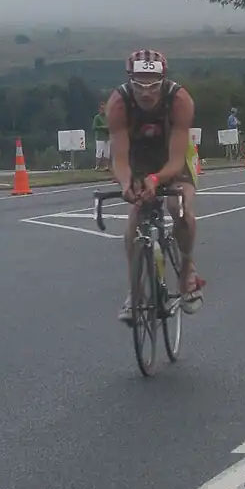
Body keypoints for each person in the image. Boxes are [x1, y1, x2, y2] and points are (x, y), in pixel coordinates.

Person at [106, 48, 204, 324]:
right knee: (135, 217)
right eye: (139, 85)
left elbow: (175, 160)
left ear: (164, 80)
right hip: (140, 157)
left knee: (179, 206)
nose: (146, 93)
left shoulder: (180, 100)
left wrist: (157, 179)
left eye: (153, 85)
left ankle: (187, 269)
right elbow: (120, 159)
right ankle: (135, 293)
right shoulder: (118, 103)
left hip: (174, 156)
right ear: (129, 80)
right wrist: (126, 183)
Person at [93, 100, 110, 170]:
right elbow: (94, 127)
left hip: (107, 137)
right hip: (100, 137)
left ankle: (106, 166)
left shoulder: (108, 117)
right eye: (102, 108)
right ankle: (97, 166)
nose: (103, 110)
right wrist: (103, 127)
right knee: (99, 152)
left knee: (107, 153)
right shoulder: (97, 117)